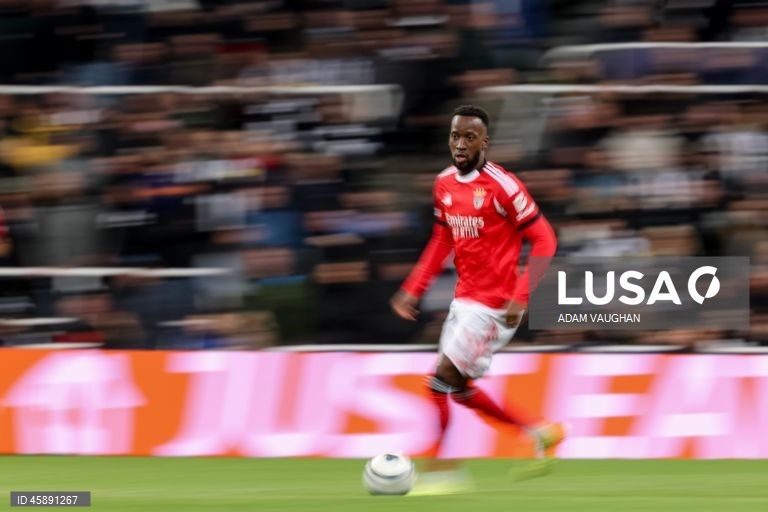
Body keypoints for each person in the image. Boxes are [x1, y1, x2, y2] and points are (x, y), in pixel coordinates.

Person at [390, 105, 565, 494]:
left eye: (469, 137)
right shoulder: (444, 184)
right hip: (465, 300)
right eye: (455, 136)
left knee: (439, 381)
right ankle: (539, 432)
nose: (460, 144)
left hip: (497, 305)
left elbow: (545, 239)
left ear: (485, 142)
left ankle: (443, 471)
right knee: (462, 389)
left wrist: (522, 295)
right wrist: (415, 287)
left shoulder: (504, 185)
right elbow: (442, 240)